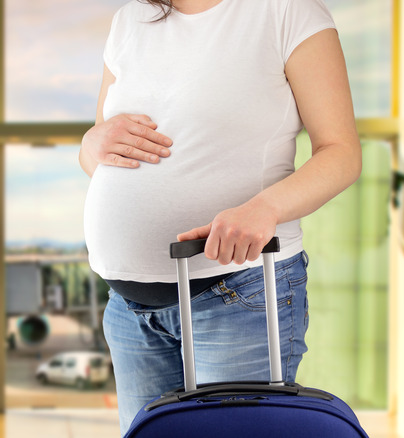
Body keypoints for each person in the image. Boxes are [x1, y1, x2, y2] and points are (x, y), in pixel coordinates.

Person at [79, 0, 361, 434]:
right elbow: (97, 153)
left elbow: (341, 153)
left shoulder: (287, 12)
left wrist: (264, 209)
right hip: (128, 308)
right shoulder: (130, 19)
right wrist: (89, 145)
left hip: (238, 292)